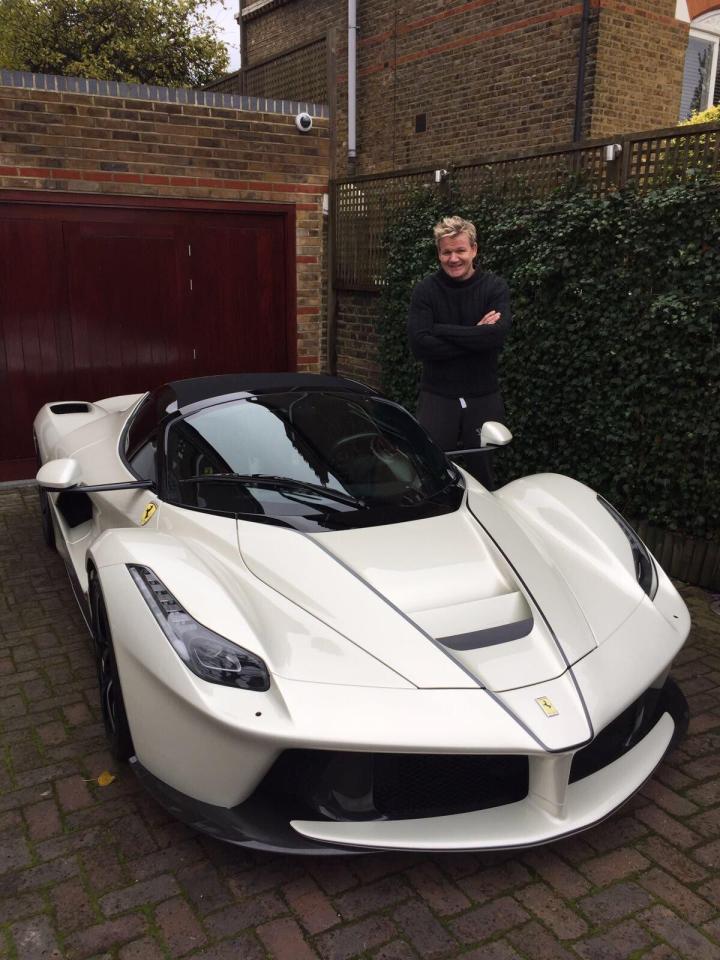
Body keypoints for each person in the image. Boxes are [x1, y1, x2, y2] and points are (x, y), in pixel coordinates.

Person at [407, 215, 511, 488]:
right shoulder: (425, 291)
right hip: (438, 396)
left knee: (484, 473)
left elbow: (495, 336)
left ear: (474, 249)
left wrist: (440, 330)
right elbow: (419, 345)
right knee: (430, 471)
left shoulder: (494, 288)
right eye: (446, 252)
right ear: (439, 253)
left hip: (483, 395)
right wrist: (476, 333)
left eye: (460, 250)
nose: (453, 258)